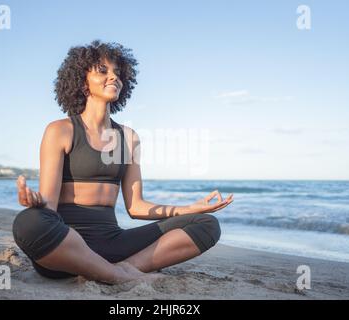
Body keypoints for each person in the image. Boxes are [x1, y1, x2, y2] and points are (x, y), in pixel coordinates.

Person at [12, 40, 233, 285]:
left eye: (118, 73)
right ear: (81, 80)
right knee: (28, 222)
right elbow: (49, 206)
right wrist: (36, 203)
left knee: (207, 225)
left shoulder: (128, 138)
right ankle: (117, 276)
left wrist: (191, 208)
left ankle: (125, 268)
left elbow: (136, 207)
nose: (113, 77)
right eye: (103, 71)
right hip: (65, 248)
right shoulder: (60, 130)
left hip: (112, 245)